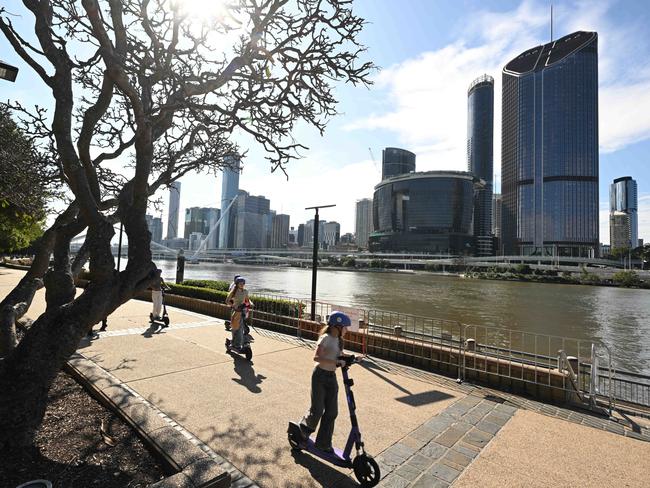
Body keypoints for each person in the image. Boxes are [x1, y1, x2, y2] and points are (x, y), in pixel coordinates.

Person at [298, 311, 352, 453]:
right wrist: (336, 361)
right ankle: (302, 433)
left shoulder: (339, 340)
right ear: (337, 326)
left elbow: (339, 355)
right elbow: (316, 358)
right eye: (345, 327)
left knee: (332, 412)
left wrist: (352, 358)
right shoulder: (325, 338)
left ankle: (323, 443)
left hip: (331, 377)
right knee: (317, 410)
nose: (346, 330)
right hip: (320, 376)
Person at [225, 276, 253, 349]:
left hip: (243, 310)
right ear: (237, 284)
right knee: (235, 328)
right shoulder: (233, 292)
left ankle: (237, 343)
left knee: (240, 328)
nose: (242, 284)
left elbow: (247, 300)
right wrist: (234, 306)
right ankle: (235, 343)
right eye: (240, 283)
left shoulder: (245, 291)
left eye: (243, 283)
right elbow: (227, 301)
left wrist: (250, 304)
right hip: (236, 311)